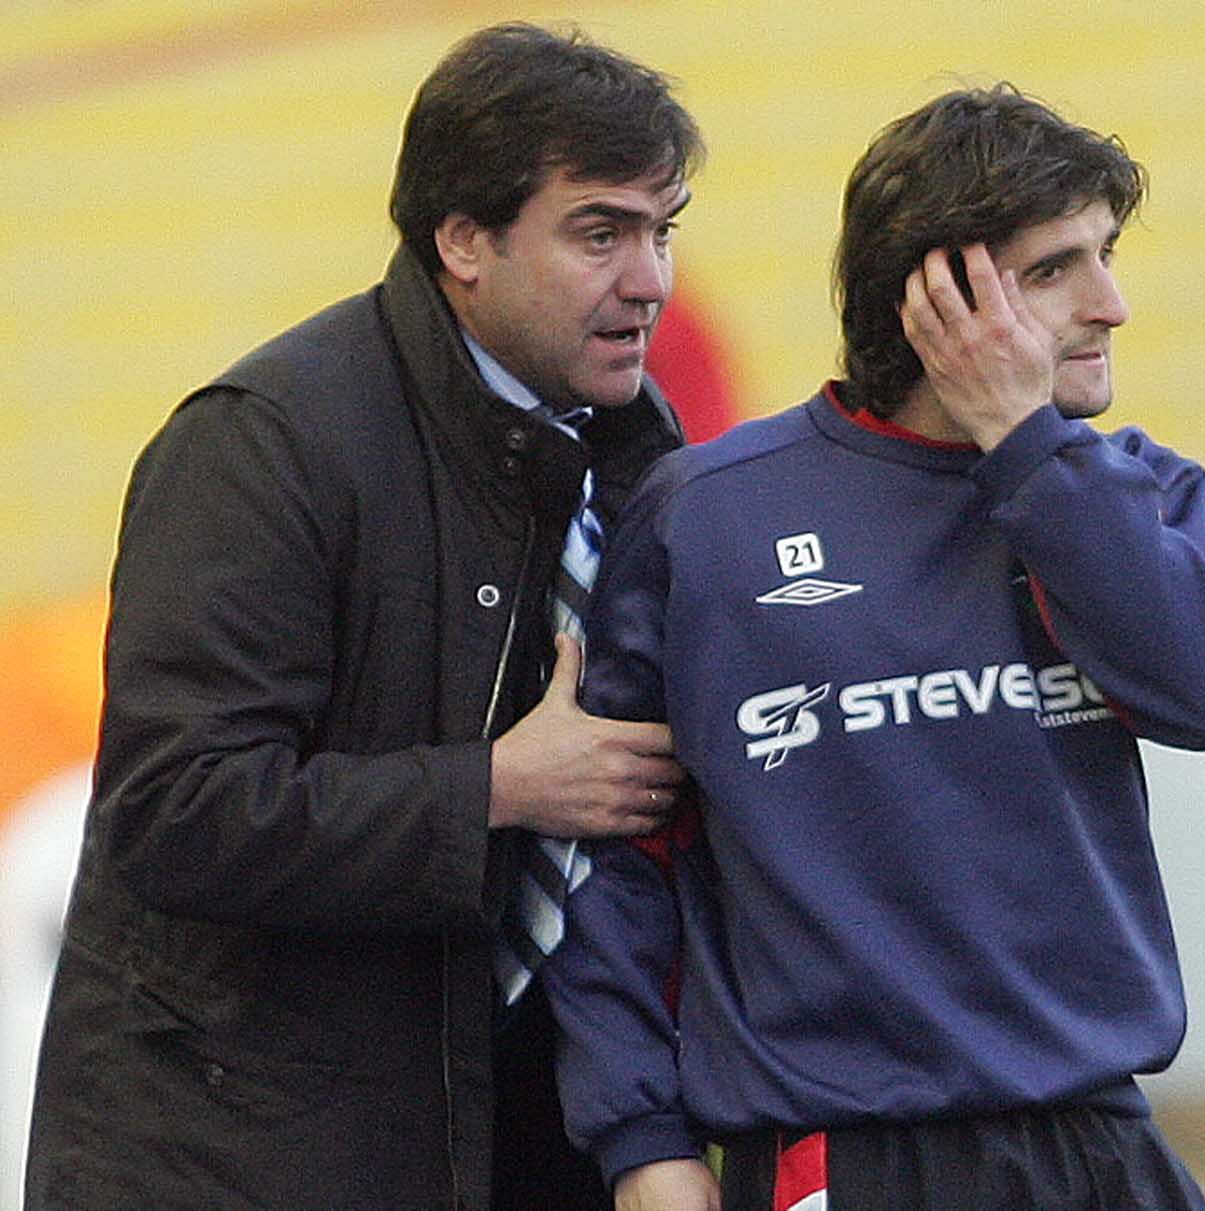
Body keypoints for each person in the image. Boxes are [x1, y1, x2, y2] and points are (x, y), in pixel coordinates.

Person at [542, 85, 1205, 1210]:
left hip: (1098, 1141)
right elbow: (614, 863)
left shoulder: (1124, 494)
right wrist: (641, 1138)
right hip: (843, 1154)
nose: (1111, 303)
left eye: (1106, 254)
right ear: (932, 300)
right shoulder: (709, 518)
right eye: (1054, 270)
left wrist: (1028, 449)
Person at [25, 22, 701, 1210]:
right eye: (600, 232)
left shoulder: (643, 457)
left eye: (662, 231)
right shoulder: (262, 444)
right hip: (245, 1156)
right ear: (463, 241)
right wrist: (492, 785)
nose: (647, 279)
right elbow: (177, 809)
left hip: (527, 1129)